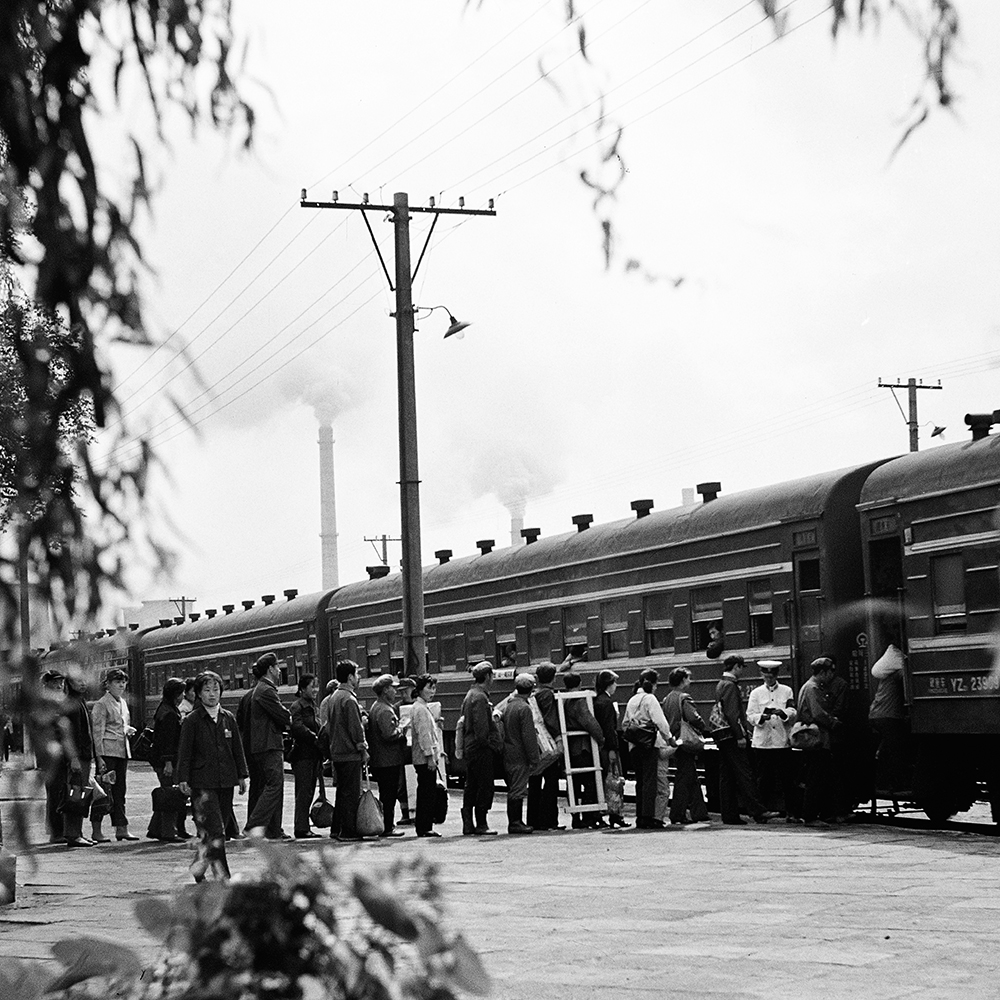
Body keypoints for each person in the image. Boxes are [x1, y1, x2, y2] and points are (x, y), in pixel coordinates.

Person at [176, 670, 248, 881]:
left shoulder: (228, 718)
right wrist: (183, 778)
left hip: (226, 781)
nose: (212, 694)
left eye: (215, 689)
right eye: (206, 690)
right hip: (202, 783)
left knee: (215, 831)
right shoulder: (192, 720)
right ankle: (222, 876)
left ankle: (197, 867)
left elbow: (237, 749)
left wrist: (242, 775)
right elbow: (185, 752)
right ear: (198, 693)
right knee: (217, 832)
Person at [713, 655, 775, 826]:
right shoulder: (731, 686)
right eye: (741, 667)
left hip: (722, 735)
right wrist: (740, 736)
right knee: (744, 773)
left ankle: (729, 814)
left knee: (727, 776)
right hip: (732, 736)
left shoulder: (721, 684)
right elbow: (733, 714)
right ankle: (758, 811)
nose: (742, 671)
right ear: (736, 667)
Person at [244, 652, 292, 839]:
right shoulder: (266, 690)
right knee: (274, 785)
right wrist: (287, 719)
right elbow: (283, 716)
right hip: (268, 745)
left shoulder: (262, 689)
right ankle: (254, 825)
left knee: (272, 787)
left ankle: (273, 829)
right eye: (278, 668)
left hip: (264, 744)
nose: (280, 672)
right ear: (271, 669)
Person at [622, 669, 676, 829]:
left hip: (634, 745)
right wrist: (669, 739)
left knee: (640, 781)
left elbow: (625, 723)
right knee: (649, 781)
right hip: (648, 745)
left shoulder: (632, 699)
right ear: (653, 684)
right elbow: (661, 722)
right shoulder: (650, 699)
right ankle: (647, 817)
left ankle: (640, 816)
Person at [91, 667, 138, 841]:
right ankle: (96, 830)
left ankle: (121, 828)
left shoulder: (123, 703)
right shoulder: (102, 704)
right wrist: (99, 756)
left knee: (120, 791)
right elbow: (98, 731)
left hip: (121, 751)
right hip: (107, 753)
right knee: (103, 791)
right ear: (108, 684)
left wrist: (127, 729)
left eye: (123, 682)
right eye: (117, 682)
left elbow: (120, 724)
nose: (121, 685)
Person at [745, 660, 797, 818]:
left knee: (788, 780)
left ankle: (792, 813)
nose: (769, 678)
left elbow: (793, 710)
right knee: (763, 780)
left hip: (782, 741)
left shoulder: (786, 691)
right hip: (763, 743)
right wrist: (762, 717)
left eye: (772, 675)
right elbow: (750, 715)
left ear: (776, 675)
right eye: (766, 675)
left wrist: (783, 713)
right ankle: (762, 812)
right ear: (762, 675)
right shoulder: (756, 693)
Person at [797, 656, 843, 827]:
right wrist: (833, 722)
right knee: (815, 779)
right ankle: (809, 816)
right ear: (822, 672)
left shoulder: (810, 687)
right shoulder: (813, 688)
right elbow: (817, 713)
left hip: (817, 738)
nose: (832, 675)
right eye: (830, 671)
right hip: (817, 739)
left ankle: (822, 813)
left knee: (820, 777)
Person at [662, 667, 711, 825]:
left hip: (675, 740)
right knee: (684, 778)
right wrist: (702, 725)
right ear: (682, 681)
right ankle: (677, 814)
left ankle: (699, 812)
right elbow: (693, 717)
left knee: (690, 776)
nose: (690, 681)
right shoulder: (684, 698)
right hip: (685, 741)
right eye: (688, 678)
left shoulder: (667, 698)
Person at [327, 659, 368, 841]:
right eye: (357, 675)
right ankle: (349, 831)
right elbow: (355, 729)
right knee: (351, 793)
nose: (358, 678)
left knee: (341, 793)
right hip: (350, 753)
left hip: (337, 751)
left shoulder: (334, 697)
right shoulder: (349, 699)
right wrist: (363, 748)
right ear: (350, 677)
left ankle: (337, 828)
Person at [459, 662, 501, 836]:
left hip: (471, 747)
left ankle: (468, 823)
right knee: (484, 785)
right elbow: (481, 728)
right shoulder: (480, 697)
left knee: (472, 786)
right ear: (488, 676)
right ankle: (481, 823)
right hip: (480, 748)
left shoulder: (470, 695)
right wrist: (491, 744)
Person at [562, 672, 605, 828]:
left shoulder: (563, 699)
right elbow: (588, 721)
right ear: (579, 683)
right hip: (582, 747)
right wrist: (601, 738)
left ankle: (575, 817)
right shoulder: (579, 700)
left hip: (569, 747)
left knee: (573, 783)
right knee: (590, 781)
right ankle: (588, 816)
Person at [146, 676, 187, 842]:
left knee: (166, 793)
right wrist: (168, 762)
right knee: (171, 795)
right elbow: (167, 741)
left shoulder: (165, 708)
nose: (183, 696)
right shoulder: (169, 713)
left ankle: (155, 829)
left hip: (161, 760)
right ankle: (168, 831)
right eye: (181, 693)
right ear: (175, 694)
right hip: (166, 761)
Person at [367, 673, 408, 838]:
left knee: (386, 794)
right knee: (388, 795)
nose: (395, 691)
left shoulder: (377, 706)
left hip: (382, 759)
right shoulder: (384, 710)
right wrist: (402, 729)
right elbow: (389, 734)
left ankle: (387, 825)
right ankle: (387, 827)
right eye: (393, 688)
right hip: (388, 759)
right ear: (385, 690)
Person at [502, 672, 540, 834]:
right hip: (519, 754)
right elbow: (529, 736)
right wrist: (534, 757)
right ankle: (515, 822)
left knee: (514, 787)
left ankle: (516, 821)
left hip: (508, 751)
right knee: (518, 789)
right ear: (531, 689)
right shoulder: (524, 708)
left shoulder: (509, 705)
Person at [62, 674, 97, 847]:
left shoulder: (79, 702)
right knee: (76, 793)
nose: (83, 683)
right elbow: (70, 735)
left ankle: (77, 832)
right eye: (78, 681)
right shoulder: (72, 705)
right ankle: (73, 834)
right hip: (78, 757)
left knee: (80, 793)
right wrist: (73, 758)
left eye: (84, 680)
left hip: (83, 755)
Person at [869, 643, 909, 796]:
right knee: (896, 751)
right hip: (888, 717)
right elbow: (909, 676)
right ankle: (894, 784)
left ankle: (883, 781)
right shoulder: (898, 674)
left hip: (877, 715)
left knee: (888, 749)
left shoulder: (886, 676)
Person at [527, 663, 562, 831]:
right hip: (548, 744)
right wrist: (558, 738)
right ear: (553, 678)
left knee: (534, 781)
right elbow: (551, 719)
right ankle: (548, 820)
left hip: (535, 744)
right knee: (550, 782)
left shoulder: (533, 694)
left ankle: (533, 819)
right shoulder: (548, 695)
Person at [288, 673, 323, 839]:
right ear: (302, 689)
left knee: (309, 791)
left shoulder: (313, 707)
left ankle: (303, 826)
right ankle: (301, 827)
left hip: (313, 754)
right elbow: (297, 727)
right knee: (303, 792)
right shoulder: (297, 707)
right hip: (302, 754)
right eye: (312, 686)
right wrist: (314, 737)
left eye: (316, 686)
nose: (315, 689)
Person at [594, 669, 628, 828]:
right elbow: (609, 728)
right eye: (614, 682)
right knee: (614, 781)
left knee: (606, 781)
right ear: (609, 684)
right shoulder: (606, 703)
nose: (616, 686)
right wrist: (613, 749)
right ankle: (615, 815)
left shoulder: (597, 700)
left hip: (601, 747)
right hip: (608, 748)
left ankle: (609, 814)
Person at [410, 674, 442, 838]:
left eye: (434, 688)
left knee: (425, 791)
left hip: (422, 757)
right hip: (424, 758)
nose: (432, 691)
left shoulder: (420, 707)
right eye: (429, 688)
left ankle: (424, 825)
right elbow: (424, 735)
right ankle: (424, 826)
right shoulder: (421, 709)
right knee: (426, 793)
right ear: (420, 689)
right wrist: (430, 756)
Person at [40, 669, 68, 843]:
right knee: (55, 793)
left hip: (63, 753)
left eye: (61, 682)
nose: (60, 685)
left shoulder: (61, 702)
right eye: (55, 682)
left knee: (63, 791)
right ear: (47, 684)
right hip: (51, 754)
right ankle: (56, 831)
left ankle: (62, 829)